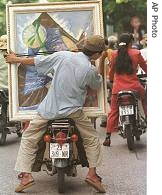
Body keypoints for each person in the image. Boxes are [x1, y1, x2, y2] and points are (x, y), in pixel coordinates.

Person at [5, 35, 106, 193]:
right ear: (97, 54)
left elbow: (36, 61)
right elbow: (97, 84)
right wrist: (101, 64)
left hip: (48, 110)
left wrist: (15, 59)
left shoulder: (63, 55)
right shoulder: (89, 69)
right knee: (91, 139)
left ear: (84, 44)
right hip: (74, 112)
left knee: (29, 138)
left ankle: (26, 176)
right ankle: (92, 174)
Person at [103, 33, 147, 147]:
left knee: (113, 111)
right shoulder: (136, 53)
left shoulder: (114, 54)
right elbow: (145, 67)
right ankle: (147, 119)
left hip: (118, 89)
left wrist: (112, 80)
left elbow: (111, 71)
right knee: (145, 99)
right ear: (131, 42)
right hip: (135, 87)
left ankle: (108, 136)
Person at [99, 35, 118, 127]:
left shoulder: (103, 53)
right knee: (113, 98)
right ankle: (114, 119)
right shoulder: (115, 53)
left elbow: (101, 68)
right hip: (113, 80)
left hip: (105, 79)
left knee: (104, 99)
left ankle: (104, 119)